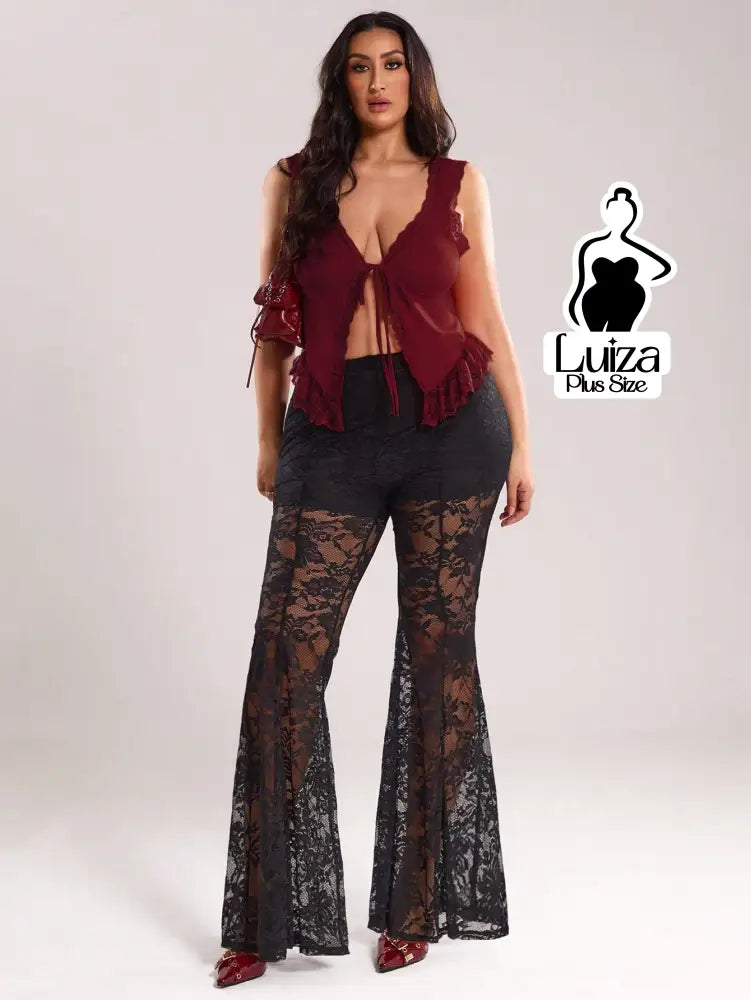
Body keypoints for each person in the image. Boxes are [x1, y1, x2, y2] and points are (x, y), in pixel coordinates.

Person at [215, 10, 534, 987]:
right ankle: (262, 918)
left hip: (453, 428)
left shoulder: (458, 182)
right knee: (285, 661)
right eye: (359, 67)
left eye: (393, 64)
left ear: (415, 78)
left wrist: (524, 442)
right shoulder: (293, 181)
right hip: (332, 431)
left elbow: (486, 317)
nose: (378, 80)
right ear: (340, 83)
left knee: (438, 662)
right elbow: (274, 324)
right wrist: (269, 438)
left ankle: (416, 906)